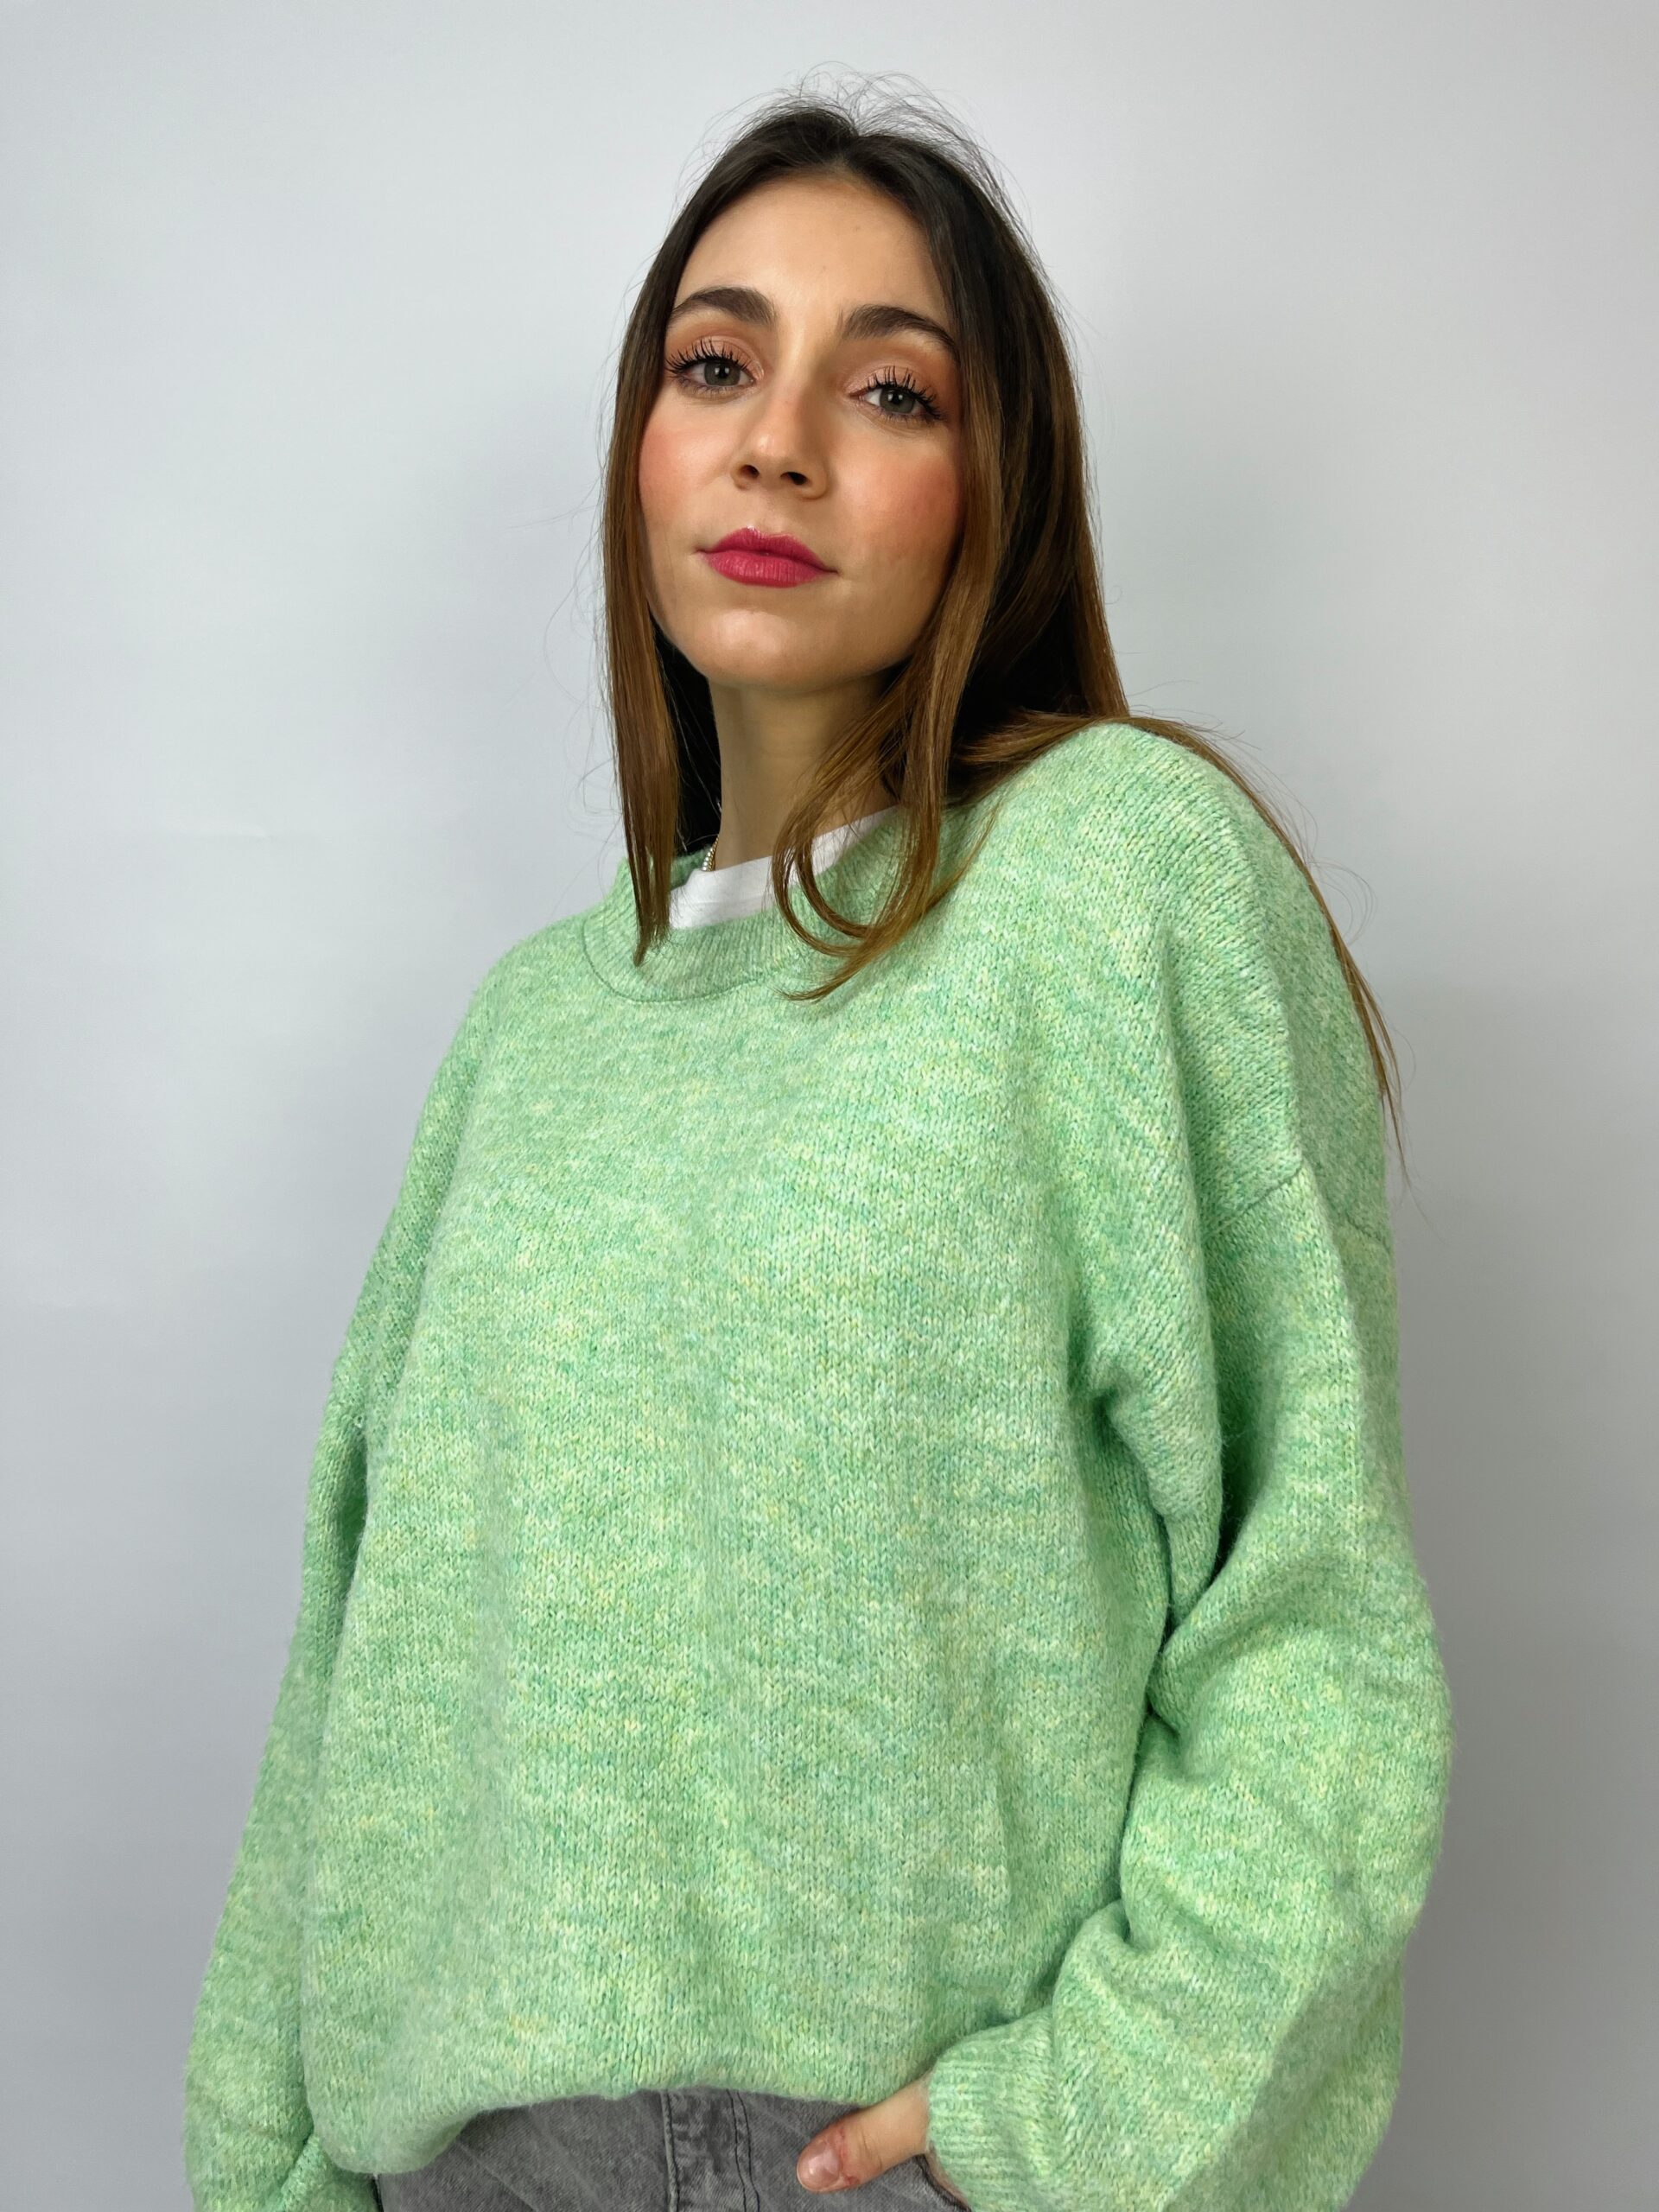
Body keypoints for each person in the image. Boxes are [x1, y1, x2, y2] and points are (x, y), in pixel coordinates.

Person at [181, 79, 1454, 2212]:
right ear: (641, 450)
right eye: (715, 365)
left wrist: (1080, 2127)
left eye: (888, 389)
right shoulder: (531, 1027)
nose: (778, 441)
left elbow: (1309, 1616)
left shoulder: (1118, 881)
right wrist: (262, 2168)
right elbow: (355, 1670)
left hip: (876, 2173)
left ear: (995, 489)